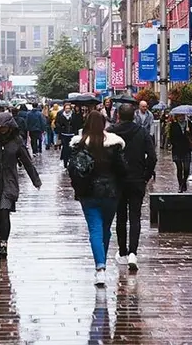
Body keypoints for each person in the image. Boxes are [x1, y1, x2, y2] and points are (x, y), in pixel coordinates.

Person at [68, 112, 126, 287]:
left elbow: (72, 169)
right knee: (105, 229)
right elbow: (122, 170)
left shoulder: (79, 144)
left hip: (88, 193)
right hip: (110, 193)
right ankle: (102, 263)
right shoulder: (114, 144)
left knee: (95, 229)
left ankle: (100, 267)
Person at [0, 112, 42, 259]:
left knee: (4, 211)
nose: (3, 130)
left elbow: (27, 161)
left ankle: (4, 243)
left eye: (5, 127)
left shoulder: (16, 141)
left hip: (9, 182)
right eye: (0, 127)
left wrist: (36, 180)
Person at [107, 104, 157, 272]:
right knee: (135, 216)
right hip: (137, 179)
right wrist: (146, 175)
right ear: (134, 115)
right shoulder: (142, 132)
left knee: (120, 216)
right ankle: (133, 253)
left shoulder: (111, 132)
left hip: (117, 180)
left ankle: (122, 251)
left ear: (119, 116)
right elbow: (152, 156)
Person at [169, 115, 192, 192]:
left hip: (186, 149)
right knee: (179, 168)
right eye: (179, 116)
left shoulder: (189, 124)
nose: (181, 117)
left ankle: (184, 182)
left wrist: (189, 132)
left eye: (182, 116)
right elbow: (171, 137)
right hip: (177, 150)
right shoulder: (173, 125)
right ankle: (180, 185)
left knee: (186, 168)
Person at [55, 103, 77, 167]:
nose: (67, 110)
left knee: (71, 148)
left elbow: (76, 123)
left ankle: (70, 161)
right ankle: (65, 162)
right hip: (64, 134)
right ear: (64, 108)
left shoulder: (73, 114)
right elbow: (57, 122)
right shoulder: (60, 114)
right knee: (65, 148)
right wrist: (60, 127)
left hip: (72, 133)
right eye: (66, 108)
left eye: (69, 108)